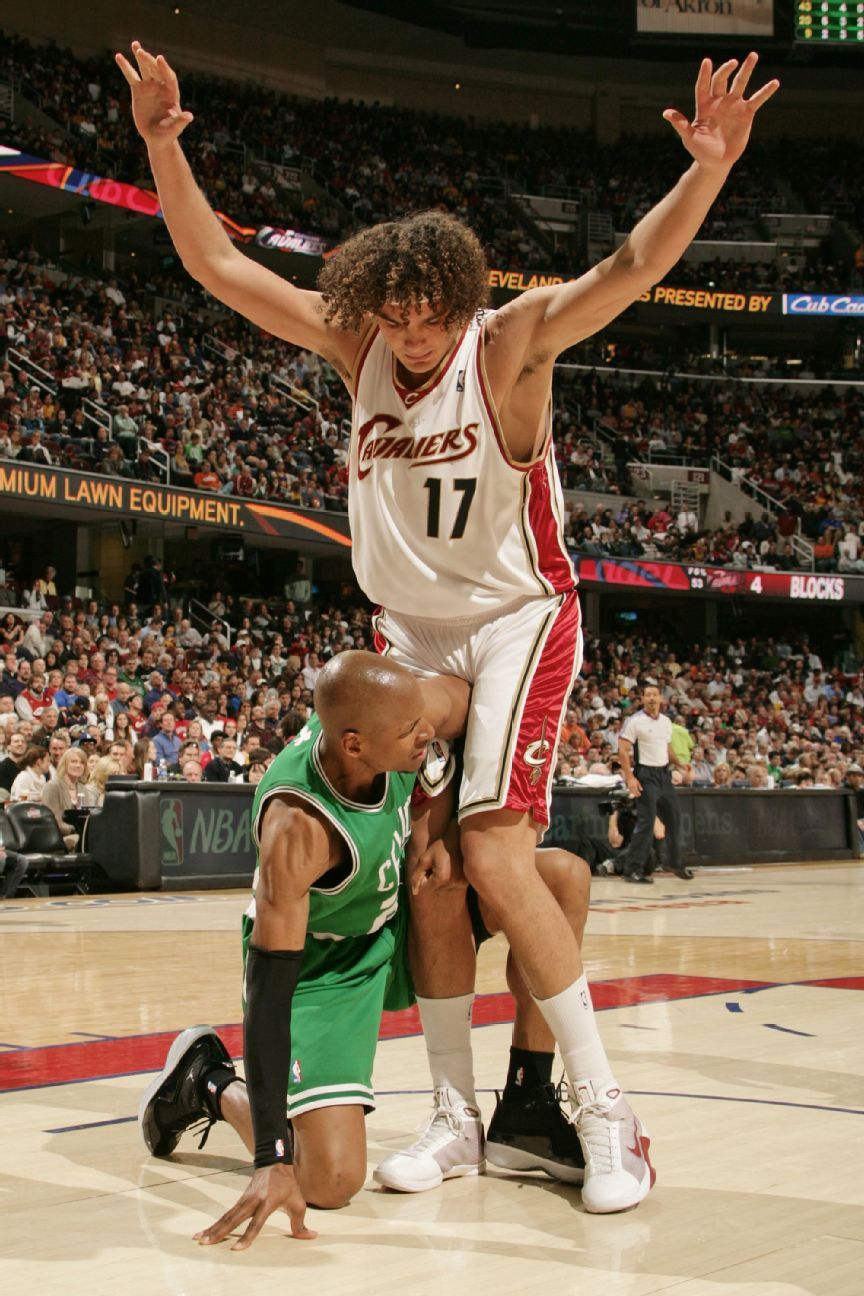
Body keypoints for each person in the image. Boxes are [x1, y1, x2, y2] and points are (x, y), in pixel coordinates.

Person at [118, 40, 778, 1213]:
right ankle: (455, 1115)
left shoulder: (510, 345)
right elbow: (218, 262)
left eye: (432, 315)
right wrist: (165, 145)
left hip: (513, 618)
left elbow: (629, 267)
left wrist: (709, 170)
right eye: (399, 315)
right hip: (408, 638)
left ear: (462, 300)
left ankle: (610, 1113)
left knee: (491, 854)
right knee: (429, 874)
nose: (414, 336)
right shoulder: (355, 344)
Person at [139, 651, 467, 1249]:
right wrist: (272, 1155)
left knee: (553, 879)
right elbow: (269, 993)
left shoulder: (385, 717)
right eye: (410, 730)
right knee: (331, 1180)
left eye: (422, 721)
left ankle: (533, 1101)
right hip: (322, 969)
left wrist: (437, 831)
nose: (426, 733)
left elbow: (464, 704)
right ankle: (205, 1082)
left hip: (389, 921)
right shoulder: (297, 831)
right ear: (353, 746)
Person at [616, 680, 693, 884]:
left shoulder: (666, 722)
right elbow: (622, 750)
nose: (651, 698)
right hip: (645, 775)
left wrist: (681, 764)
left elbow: (666, 749)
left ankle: (674, 862)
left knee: (675, 819)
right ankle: (632, 869)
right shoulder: (635, 721)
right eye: (647, 695)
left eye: (654, 694)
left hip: (664, 775)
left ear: (660, 698)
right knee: (646, 822)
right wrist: (630, 777)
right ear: (642, 699)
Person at [42, 746, 98, 848]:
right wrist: (77, 829)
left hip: (80, 834)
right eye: (73, 761)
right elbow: (53, 820)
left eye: (82, 763)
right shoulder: (53, 786)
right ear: (65, 764)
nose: (78, 765)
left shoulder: (83, 789)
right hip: (58, 836)